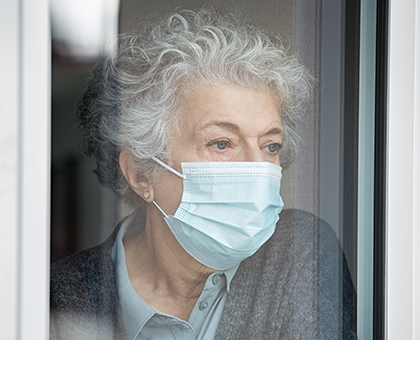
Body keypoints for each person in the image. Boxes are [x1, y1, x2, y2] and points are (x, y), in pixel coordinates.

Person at [50, 8, 356, 340]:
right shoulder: (58, 295)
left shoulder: (300, 252)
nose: (257, 168)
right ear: (141, 173)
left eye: (270, 146)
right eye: (222, 143)